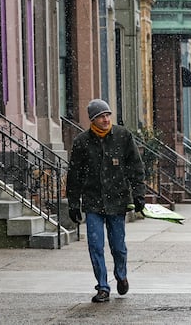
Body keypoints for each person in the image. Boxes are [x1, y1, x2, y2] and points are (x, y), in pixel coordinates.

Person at [66, 99, 147, 303]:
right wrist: (73, 203)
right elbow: (74, 174)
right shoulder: (82, 142)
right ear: (93, 120)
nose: (106, 119)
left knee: (118, 246)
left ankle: (121, 275)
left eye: (108, 115)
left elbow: (135, 168)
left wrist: (138, 194)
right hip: (93, 201)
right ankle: (102, 286)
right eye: (101, 116)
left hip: (117, 200)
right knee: (95, 245)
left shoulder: (122, 136)